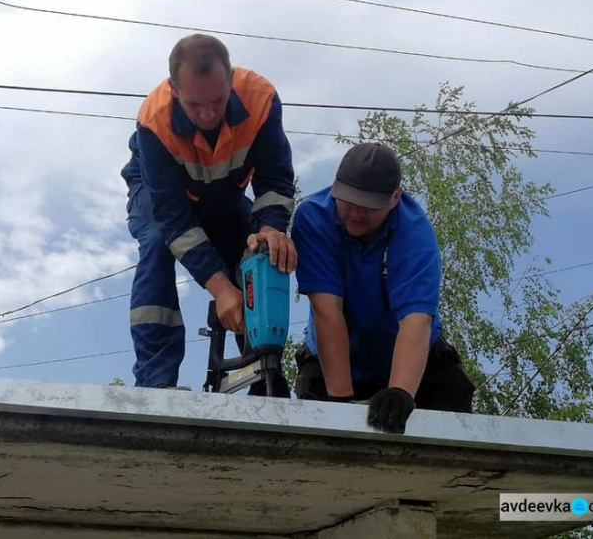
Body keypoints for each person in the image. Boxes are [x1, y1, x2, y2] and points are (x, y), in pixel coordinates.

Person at [120, 34, 297, 395]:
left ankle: (263, 371)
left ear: (230, 79)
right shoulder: (154, 121)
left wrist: (270, 228)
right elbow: (174, 219)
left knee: (258, 252)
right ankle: (156, 379)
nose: (207, 114)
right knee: (157, 242)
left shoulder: (261, 99)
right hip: (158, 195)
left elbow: (275, 178)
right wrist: (220, 288)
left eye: (216, 101)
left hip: (223, 194)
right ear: (174, 88)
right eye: (194, 104)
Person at [290, 142, 475, 432]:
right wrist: (341, 406)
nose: (356, 213)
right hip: (336, 357)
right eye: (349, 201)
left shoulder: (415, 232)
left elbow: (417, 320)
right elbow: (327, 311)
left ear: (395, 198)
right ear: (335, 187)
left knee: (451, 413)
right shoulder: (312, 218)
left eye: (369, 206)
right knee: (322, 434)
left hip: (408, 357)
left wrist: (401, 391)